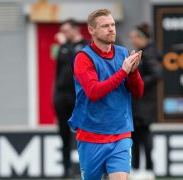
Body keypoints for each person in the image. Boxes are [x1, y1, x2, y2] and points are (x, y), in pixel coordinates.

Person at [68, 9, 144, 180]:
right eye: (105, 26)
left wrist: (132, 73)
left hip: (120, 133)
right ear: (91, 30)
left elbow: (138, 92)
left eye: (113, 25)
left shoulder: (123, 53)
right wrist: (123, 71)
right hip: (91, 134)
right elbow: (94, 92)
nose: (111, 29)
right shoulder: (83, 58)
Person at [53, 19, 87, 178]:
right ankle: (66, 169)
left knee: (85, 134)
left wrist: (64, 45)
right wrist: (55, 96)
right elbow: (58, 71)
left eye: (66, 30)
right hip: (62, 97)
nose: (63, 34)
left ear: (75, 29)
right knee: (63, 134)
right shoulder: (62, 48)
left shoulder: (84, 46)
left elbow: (76, 62)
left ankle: (88, 167)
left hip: (78, 97)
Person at [129, 22, 162, 177]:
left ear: (142, 38)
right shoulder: (140, 52)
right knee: (134, 138)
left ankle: (149, 169)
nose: (132, 40)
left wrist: (138, 82)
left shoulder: (149, 53)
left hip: (145, 104)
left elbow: (156, 75)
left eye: (135, 37)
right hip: (137, 104)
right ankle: (136, 168)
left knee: (145, 138)